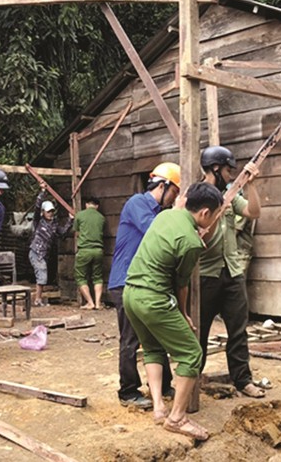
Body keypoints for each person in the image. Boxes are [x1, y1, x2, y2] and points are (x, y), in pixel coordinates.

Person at [123, 182, 223, 441]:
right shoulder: (191, 242)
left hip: (130, 293)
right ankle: (177, 418)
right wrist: (182, 312)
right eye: (215, 215)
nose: (214, 221)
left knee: (153, 348)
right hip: (154, 298)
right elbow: (182, 284)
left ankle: (158, 407)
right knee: (191, 353)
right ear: (204, 214)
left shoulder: (165, 215)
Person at [108, 162, 181, 409]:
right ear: (163, 186)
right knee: (131, 339)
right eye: (174, 193)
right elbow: (156, 233)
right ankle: (128, 391)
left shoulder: (160, 213)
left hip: (145, 283)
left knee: (157, 336)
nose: (174, 200)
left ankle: (162, 385)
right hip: (125, 282)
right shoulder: (137, 203)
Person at [197, 145, 265, 398]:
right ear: (215, 168)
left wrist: (251, 186)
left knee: (238, 329)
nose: (230, 175)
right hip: (205, 274)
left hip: (233, 271)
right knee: (200, 332)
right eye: (227, 170)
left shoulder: (231, 194)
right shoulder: (196, 195)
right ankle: (193, 379)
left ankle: (243, 380)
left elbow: (253, 212)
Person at [29, 183, 74, 306]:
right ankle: (38, 300)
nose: (50, 214)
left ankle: (38, 299)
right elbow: (37, 208)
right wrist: (42, 192)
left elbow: (63, 233)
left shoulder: (54, 224)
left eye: (52, 211)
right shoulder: (38, 222)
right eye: (48, 212)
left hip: (44, 254)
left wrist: (70, 220)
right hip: (36, 252)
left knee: (43, 275)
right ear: (43, 212)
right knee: (42, 274)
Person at [74, 197, 106, 310]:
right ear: (97, 206)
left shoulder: (80, 215)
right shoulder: (101, 218)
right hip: (98, 251)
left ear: (87, 204)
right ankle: (98, 303)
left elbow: (77, 232)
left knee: (80, 277)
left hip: (84, 250)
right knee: (97, 277)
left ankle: (90, 303)